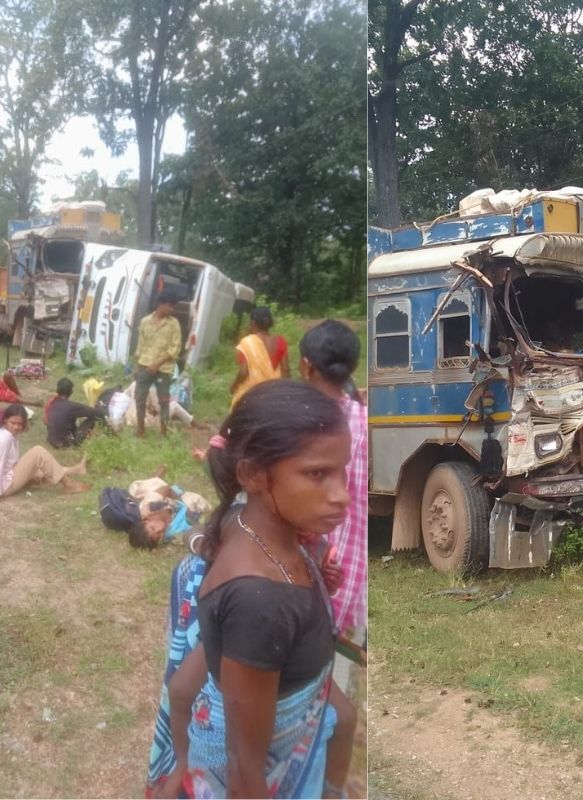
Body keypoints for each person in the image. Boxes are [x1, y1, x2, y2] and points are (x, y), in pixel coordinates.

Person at [177, 380, 353, 798]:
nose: (343, 495)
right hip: (263, 777)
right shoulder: (261, 605)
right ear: (253, 475)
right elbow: (244, 767)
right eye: (317, 474)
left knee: (344, 716)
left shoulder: (246, 521)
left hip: (287, 707)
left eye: (342, 470)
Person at [299, 320, 368, 637]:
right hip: (350, 577)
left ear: (306, 366)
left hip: (298, 573)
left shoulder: (295, 421)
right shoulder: (366, 421)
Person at [0, 404, 89, 507]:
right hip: (3, 485)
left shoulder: (7, 433)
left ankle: (75, 469)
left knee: (41, 470)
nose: (16, 427)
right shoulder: (4, 439)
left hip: (5, 477)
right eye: (13, 423)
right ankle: (69, 485)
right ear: (5, 420)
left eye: (20, 424)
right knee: (38, 452)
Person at [131, 290, 184, 437]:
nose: (172, 309)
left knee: (164, 401)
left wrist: (157, 364)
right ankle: (140, 430)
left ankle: (163, 432)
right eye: (170, 306)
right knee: (140, 398)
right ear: (161, 304)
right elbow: (140, 345)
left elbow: (175, 348)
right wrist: (136, 366)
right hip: (144, 366)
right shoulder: (145, 321)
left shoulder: (174, 324)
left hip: (164, 368)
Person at [229, 307, 289, 408]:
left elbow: (243, 372)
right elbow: (286, 370)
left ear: (253, 323)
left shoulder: (247, 342)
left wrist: (234, 386)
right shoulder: (280, 341)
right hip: (273, 392)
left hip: (252, 394)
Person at [45, 377, 105, 448]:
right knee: (92, 418)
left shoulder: (52, 404)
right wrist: (100, 407)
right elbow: (96, 413)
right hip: (66, 443)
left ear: (57, 390)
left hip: (52, 440)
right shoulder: (71, 406)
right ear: (71, 391)